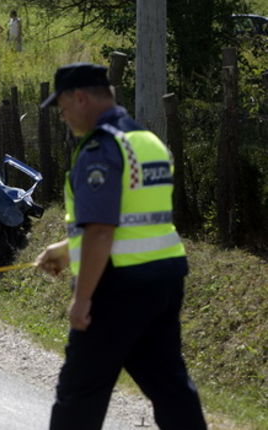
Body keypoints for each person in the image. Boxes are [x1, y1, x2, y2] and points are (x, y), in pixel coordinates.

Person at [35, 63, 207, 429]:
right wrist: (68, 249)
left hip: (117, 288)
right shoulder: (148, 141)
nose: (63, 117)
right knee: (170, 386)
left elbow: (101, 230)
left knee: (80, 392)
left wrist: (81, 300)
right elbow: (134, 219)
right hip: (163, 279)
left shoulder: (100, 148)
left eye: (62, 107)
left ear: (80, 97)